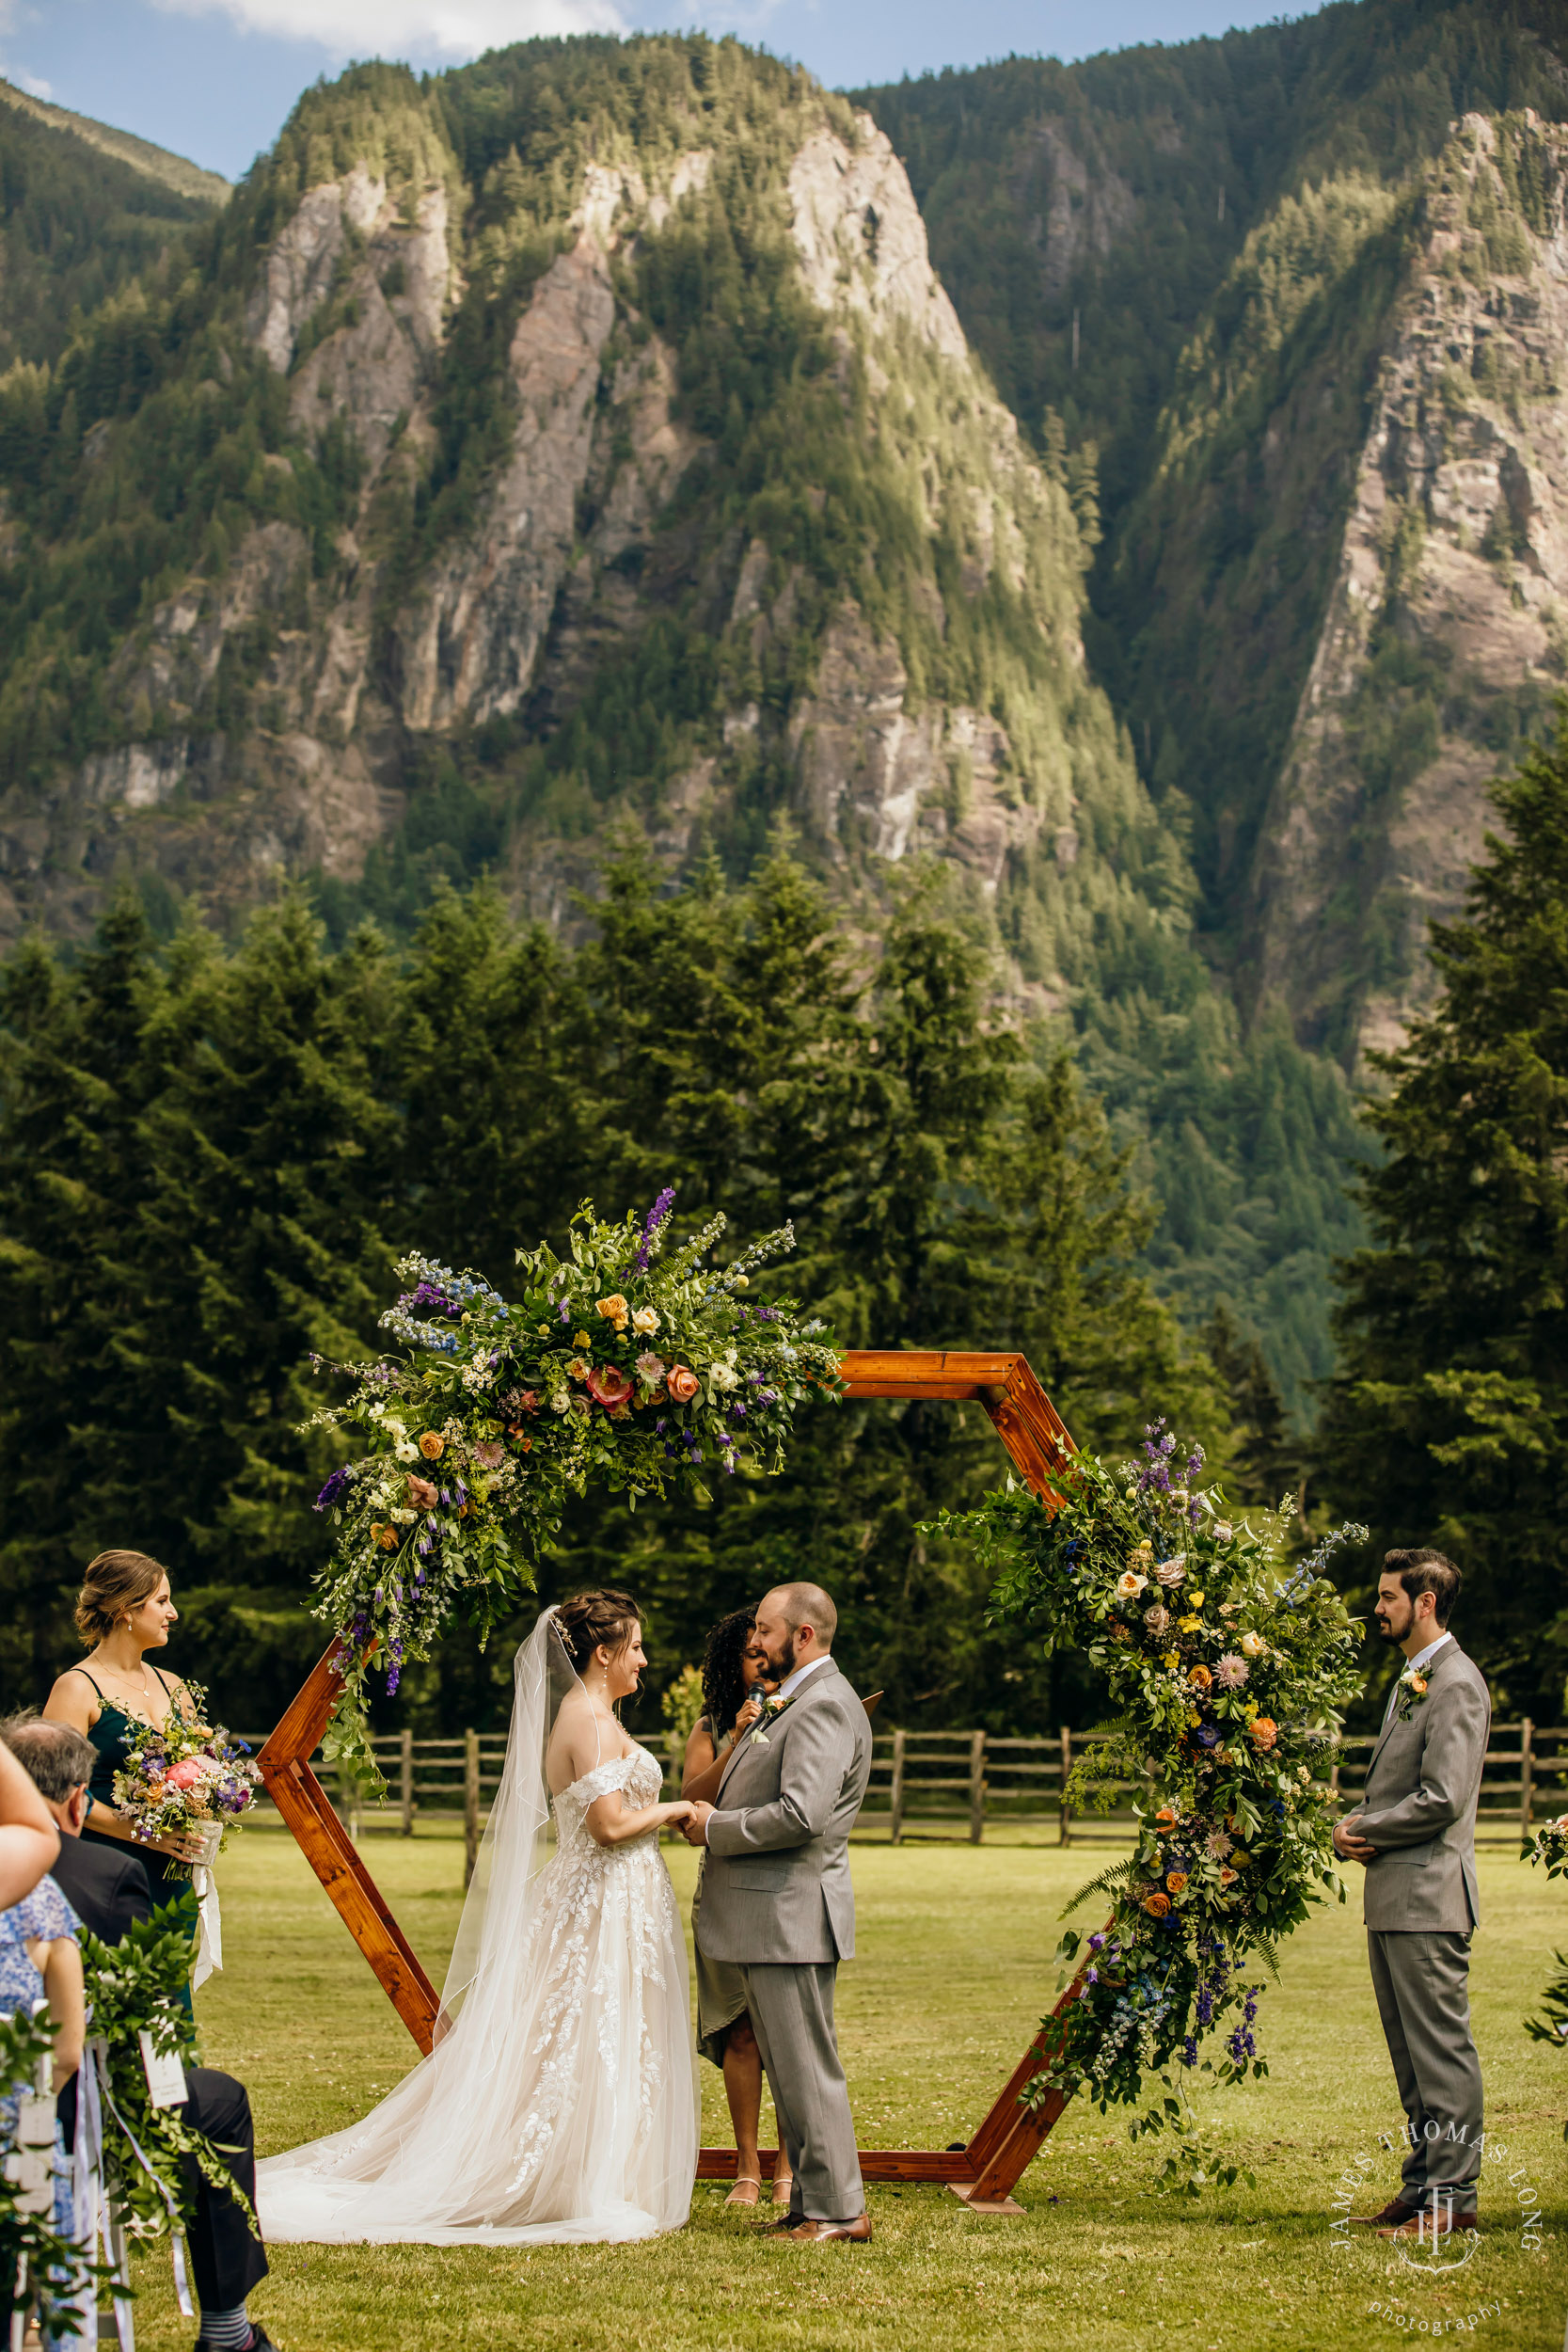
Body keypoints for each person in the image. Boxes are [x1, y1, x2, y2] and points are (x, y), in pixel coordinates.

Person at [256, 1590, 699, 2245]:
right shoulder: (590, 1721)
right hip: (599, 1901)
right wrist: (678, 1809)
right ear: (603, 1654)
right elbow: (607, 1827)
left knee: (587, 2033)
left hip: (607, 1901)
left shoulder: (593, 1716)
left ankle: (592, 2169)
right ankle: (573, 2177)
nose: (644, 1659)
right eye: (634, 1647)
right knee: (582, 2030)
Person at [2, 1717, 277, 2352]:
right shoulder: (106, 1873)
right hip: (80, 2103)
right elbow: (142, 2014)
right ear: (78, 1801)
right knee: (220, 2103)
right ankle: (225, 2328)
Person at [681, 1581, 873, 2245]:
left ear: (803, 1637)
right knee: (790, 2072)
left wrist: (714, 1828)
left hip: (790, 1917)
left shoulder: (821, 1705)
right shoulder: (791, 1699)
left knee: (806, 2068)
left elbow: (801, 1814)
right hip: (768, 1919)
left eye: (763, 1629)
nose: (753, 1641)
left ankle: (841, 2214)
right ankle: (810, 2206)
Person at [1335, 1549, 1491, 2243]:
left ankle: (1452, 2199)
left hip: (1429, 1895)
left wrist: (1361, 1827)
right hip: (1395, 1895)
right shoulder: (1413, 1678)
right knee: (1409, 2053)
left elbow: (1442, 1798)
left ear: (1423, 1603)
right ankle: (1422, 2183)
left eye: (1388, 1596)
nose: (1379, 1607)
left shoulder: (1454, 1683)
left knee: (1439, 2051)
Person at [42, 1551, 208, 1990]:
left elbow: (198, 1771)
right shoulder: (77, 1688)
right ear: (125, 1610)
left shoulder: (176, 1688)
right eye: (162, 1601)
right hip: (107, 1874)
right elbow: (57, 1794)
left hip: (172, 1874)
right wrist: (142, 1831)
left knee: (169, 2002)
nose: (173, 1613)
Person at [681, 1610, 792, 2211]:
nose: (764, 1661)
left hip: (782, 1896)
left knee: (788, 2032)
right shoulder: (713, 1727)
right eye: (753, 1654)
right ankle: (748, 2165)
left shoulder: (805, 1716)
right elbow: (691, 1805)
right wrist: (737, 1743)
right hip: (724, 1892)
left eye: (769, 1650)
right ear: (734, 1666)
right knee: (742, 2033)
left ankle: (791, 2166)